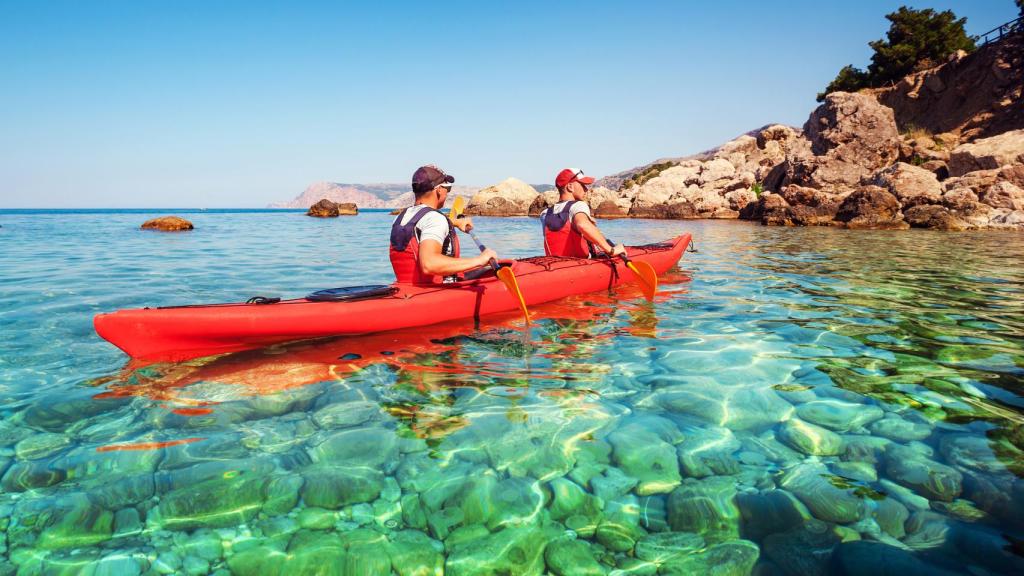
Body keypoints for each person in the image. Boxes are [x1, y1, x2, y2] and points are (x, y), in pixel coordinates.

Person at [390, 165, 498, 284]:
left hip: (408, 291)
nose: (447, 193)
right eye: (448, 189)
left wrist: (455, 222)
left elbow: (422, 226)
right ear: (439, 190)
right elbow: (429, 264)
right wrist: (480, 260)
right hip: (436, 293)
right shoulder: (435, 219)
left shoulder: (402, 217)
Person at [540, 168, 626, 258]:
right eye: (582, 185)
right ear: (570, 187)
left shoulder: (545, 214)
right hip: (580, 264)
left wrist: (589, 225)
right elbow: (582, 225)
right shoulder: (578, 205)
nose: (586, 189)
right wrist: (611, 250)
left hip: (556, 266)